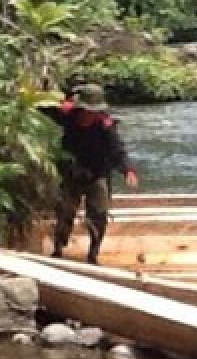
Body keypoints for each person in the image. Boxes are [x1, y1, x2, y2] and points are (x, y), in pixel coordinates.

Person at [40, 83, 139, 264]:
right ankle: (58, 249)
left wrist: (128, 170)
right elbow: (42, 108)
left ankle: (93, 254)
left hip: (98, 173)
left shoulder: (105, 126)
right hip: (72, 172)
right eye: (86, 111)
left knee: (99, 214)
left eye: (93, 111)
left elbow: (118, 150)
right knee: (64, 211)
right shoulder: (67, 115)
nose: (89, 115)